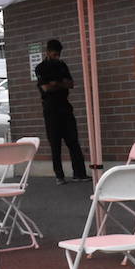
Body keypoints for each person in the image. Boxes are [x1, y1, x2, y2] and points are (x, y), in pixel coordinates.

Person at [34, 39, 90, 185]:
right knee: (55, 143)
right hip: (50, 108)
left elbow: (70, 84)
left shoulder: (62, 65)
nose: (57, 57)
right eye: (54, 54)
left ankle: (79, 173)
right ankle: (59, 175)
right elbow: (45, 88)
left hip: (64, 106)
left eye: (58, 55)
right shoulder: (41, 68)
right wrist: (60, 84)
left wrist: (55, 84)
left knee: (73, 140)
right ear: (47, 52)